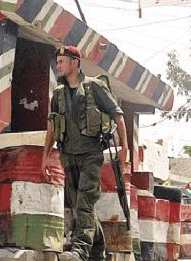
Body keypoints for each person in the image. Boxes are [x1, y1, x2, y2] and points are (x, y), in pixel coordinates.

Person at [41, 46, 129, 261]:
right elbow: (52, 126)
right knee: (80, 207)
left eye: (62, 62)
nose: (58, 66)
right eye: (57, 62)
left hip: (90, 155)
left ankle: (80, 252)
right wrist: (45, 156)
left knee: (84, 204)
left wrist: (125, 148)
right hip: (68, 156)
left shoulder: (94, 87)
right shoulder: (58, 94)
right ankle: (98, 252)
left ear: (75, 63)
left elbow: (118, 115)